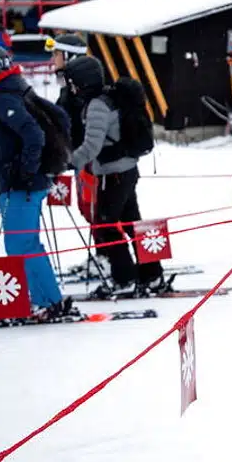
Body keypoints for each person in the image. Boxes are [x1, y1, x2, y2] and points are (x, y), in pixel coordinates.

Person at [0, 44, 72, 318]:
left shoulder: (5, 96)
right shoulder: (12, 89)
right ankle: (46, 298)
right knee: (27, 243)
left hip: (22, 186)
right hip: (25, 184)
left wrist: (24, 172)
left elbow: (34, 135)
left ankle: (49, 302)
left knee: (21, 245)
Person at [63, 55, 167, 298]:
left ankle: (125, 279)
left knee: (106, 226)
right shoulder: (109, 98)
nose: (72, 88)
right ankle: (151, 275)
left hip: (114, 175)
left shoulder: (99, 105)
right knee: (133, 224)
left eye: (74, 82)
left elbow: (91, 147)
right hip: (126, 170)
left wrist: (70, 162)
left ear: (84, 82)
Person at [46, 32, 91, 147]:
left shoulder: (79, 89)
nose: (52, 59)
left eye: (56, 54)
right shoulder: (68, 87)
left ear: (69, 56)